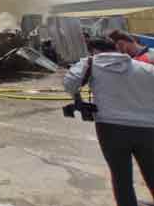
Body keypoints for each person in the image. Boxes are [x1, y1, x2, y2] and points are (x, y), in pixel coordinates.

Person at [64, 37, 154, 206]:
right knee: (152, 172)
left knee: (121, 177)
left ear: (93, 51)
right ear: (116, 48)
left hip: (111, 128)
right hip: (148, 128)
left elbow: (69, 84)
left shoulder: (90, 64)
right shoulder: (145, 68)